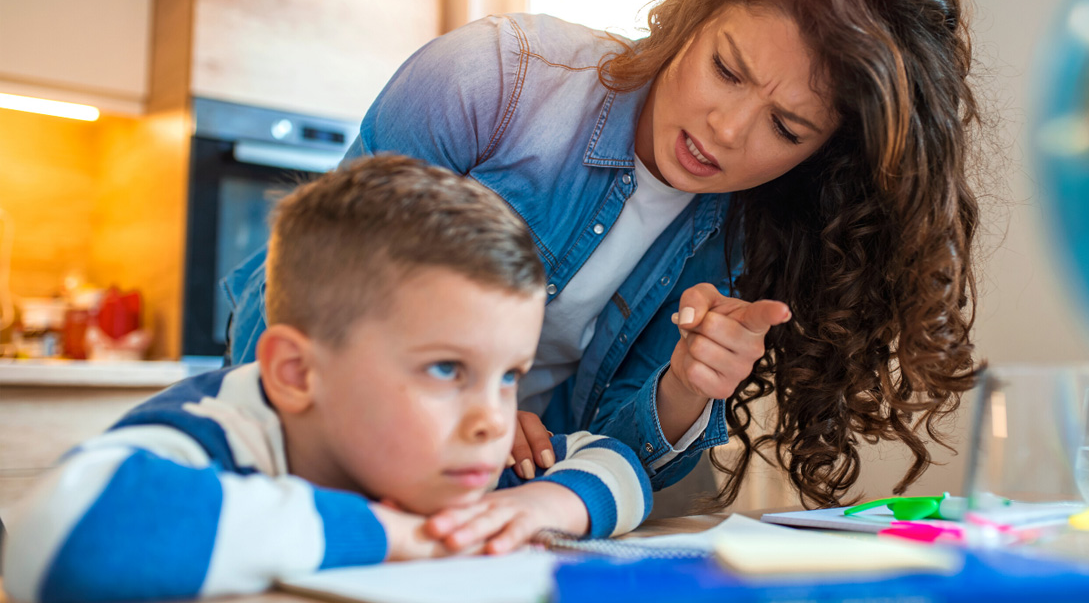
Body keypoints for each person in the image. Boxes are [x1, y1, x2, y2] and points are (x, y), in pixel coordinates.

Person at [225, 0, 984, 508]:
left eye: (786, 128)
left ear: (821, 155)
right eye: (726, 70)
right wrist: (454, 416)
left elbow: (612, 454)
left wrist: (689, 384)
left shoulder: (761, 229)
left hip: (516, 504)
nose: (726, 130)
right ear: (690, 19)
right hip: (331, 463)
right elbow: (290, 304)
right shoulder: (493, 81)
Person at [3, 157, 652, 602]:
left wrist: (536, 505)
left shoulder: (457, 454)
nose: (494, 419)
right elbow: (53, 535)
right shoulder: (218, 433)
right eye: (447, 368)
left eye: (509, 375)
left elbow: (619, 464)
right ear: (296, 373)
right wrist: (393, 534)